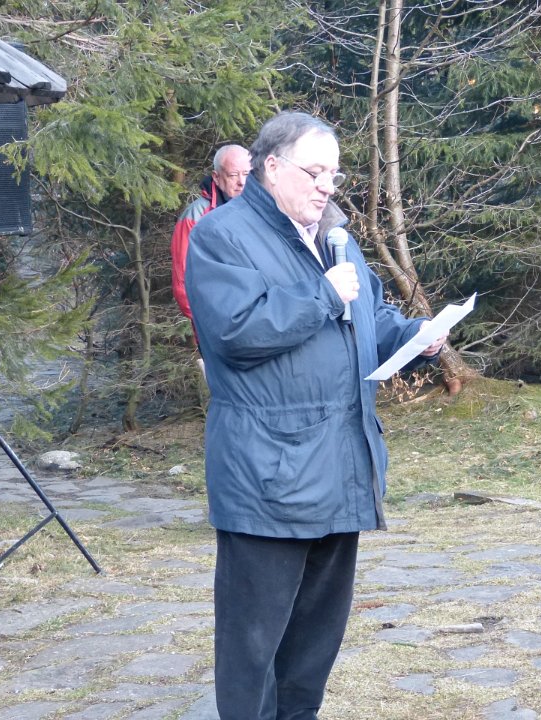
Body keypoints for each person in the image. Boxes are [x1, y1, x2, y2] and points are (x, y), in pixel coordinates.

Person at [185, 111, 446, 720]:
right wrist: (325, 294)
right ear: (272, 166)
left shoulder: (335, 238)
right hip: (268, 475)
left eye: (334, 174)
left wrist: (415, 336)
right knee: (253, 644)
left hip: (340, 465)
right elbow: (237, 332)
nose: (327, 185)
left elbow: (369, 319)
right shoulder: (222, 236)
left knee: (314, 641)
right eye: (316, 171)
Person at [170, 144, 251, 324]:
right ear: (216, 177)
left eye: (247, 174)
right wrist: (212, 323)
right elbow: (184, 281)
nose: (242, 182)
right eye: (233, 175)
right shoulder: (197, 216)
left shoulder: (263, 211)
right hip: (218, 324)